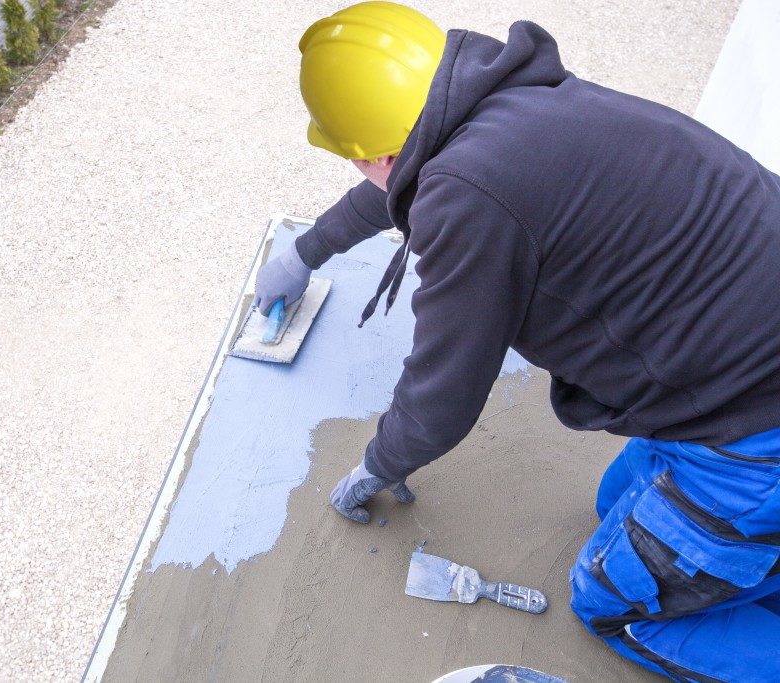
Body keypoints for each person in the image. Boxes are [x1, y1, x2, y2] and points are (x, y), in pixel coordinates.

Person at [253, 2, 780, 681]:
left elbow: (442, 394)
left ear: (375, 152)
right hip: (738, 359)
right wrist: (309, 250)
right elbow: (405, 181)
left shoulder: (468, 201)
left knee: (614, 605)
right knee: (611, 504)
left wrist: (379, 464)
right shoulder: (510, 96)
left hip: (753, 431)